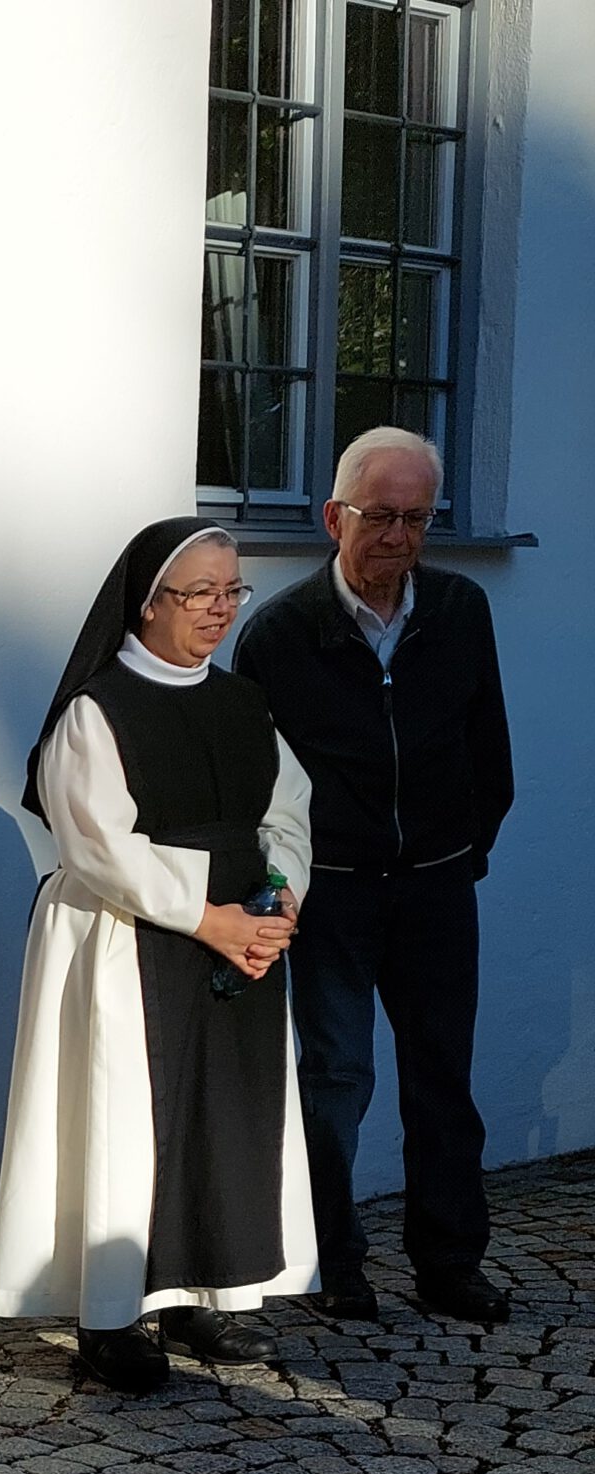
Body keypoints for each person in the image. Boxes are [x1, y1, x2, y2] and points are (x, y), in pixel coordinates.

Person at [0, 517, 317, 1389]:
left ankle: (205, 1293)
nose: (220, 609)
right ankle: (112, 1315)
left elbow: (287, 809)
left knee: (225, 1120)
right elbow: (97, 845)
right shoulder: (96, 712)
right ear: (146, 603)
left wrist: (279, 898)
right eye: (200, 592)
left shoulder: (243, 704)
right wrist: (208, 919)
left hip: (241, 934)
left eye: (232, 590)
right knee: (128, 1123)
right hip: (129, 940)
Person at [231, 425, 515, 1327]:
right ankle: (334, 1262)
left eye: (418, 518)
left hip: (436, 886)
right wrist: (282, 885)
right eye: (381, 516)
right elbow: (255, 785)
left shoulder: (460, 610)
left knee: (443, 1081)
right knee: (336, 1080)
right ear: (334, 518)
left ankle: (450, 1262)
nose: (399, 536)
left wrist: (464, 849)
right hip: (336, 892)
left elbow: (488, 746)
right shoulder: (281, 633)